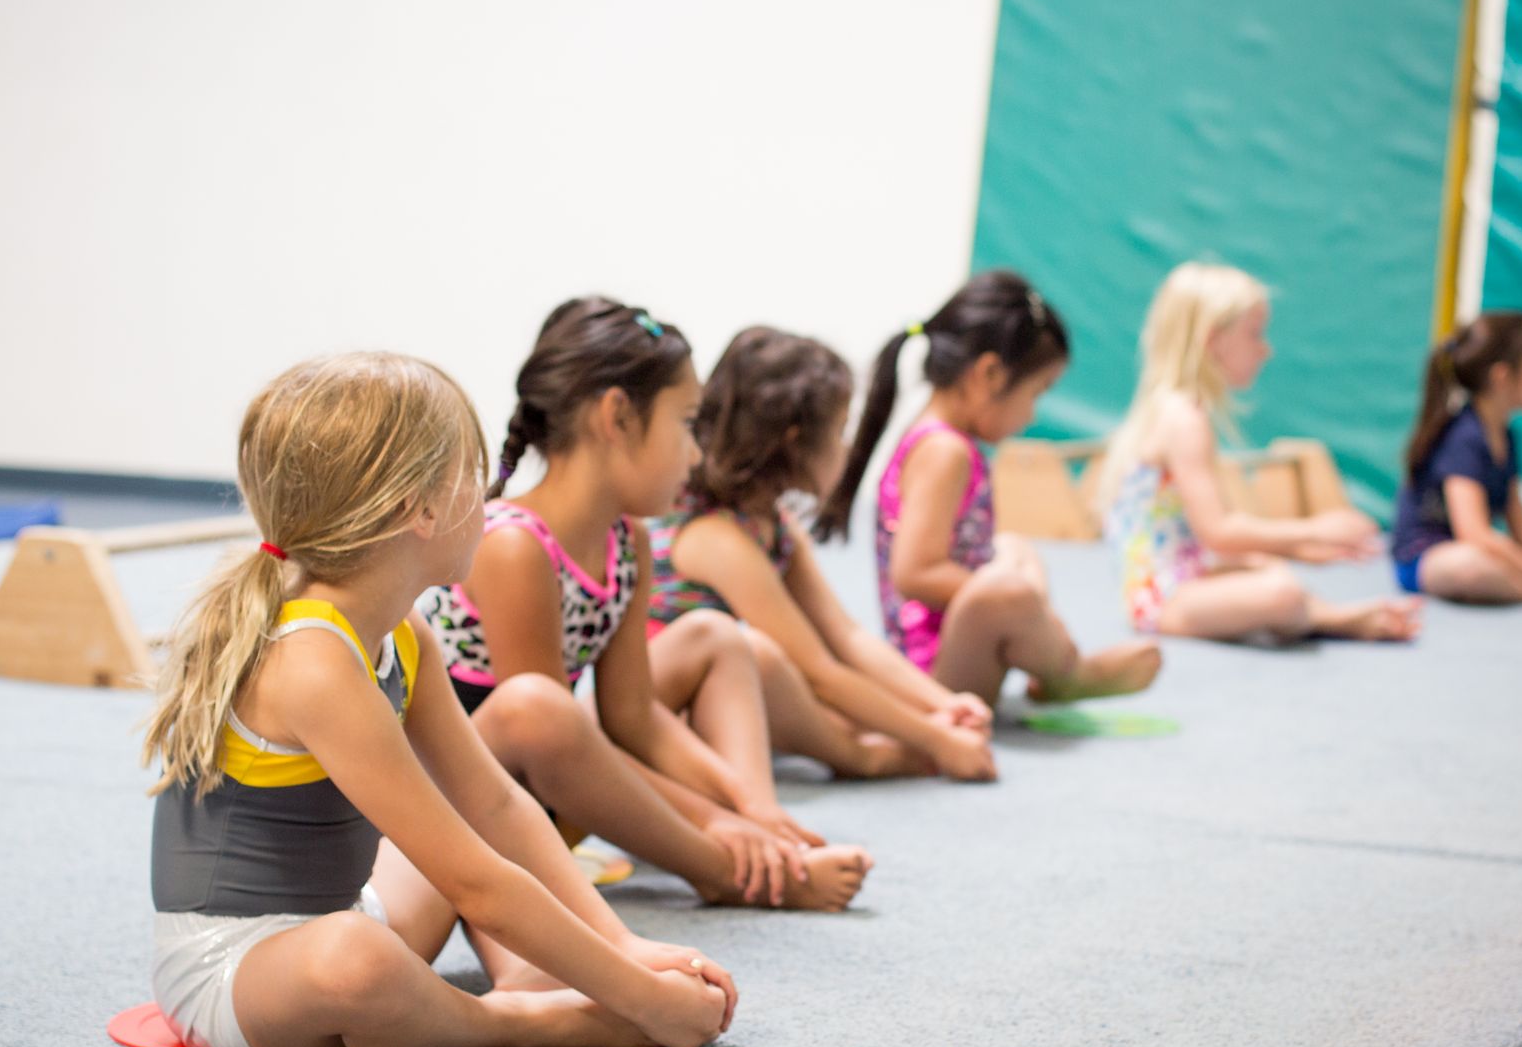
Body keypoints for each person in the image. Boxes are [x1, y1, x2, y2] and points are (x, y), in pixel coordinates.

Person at [143, 353, 734, 1047]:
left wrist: (625, 946)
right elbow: (473, 886)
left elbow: (495, 805)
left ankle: (515, 991)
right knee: (359, 961)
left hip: (346, 911)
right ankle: (522, 1019)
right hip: (236, 969)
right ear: (420, 510)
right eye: (472, 479)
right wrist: (642, 1000)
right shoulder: (312, 661)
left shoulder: (401, 631)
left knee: (444, 862)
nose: (487, 503)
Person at [420, 299, 872, 911]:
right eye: (687, 423)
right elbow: (552, 741)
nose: (695, 454)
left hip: (548, 781)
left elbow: (633, 717)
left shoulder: (626, 539)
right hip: (465, 793)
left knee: (714, 634)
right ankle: (726, 871)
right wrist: (709, 824)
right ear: (618, 418)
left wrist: (744, 802)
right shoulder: (513, 548)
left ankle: (766, 837)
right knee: (545, 713)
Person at [650, 326, 998, 781]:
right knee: (768, 660)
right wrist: (937, 741)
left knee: (822, 682)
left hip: (731, 696)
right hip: (671, 716)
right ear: (794, 442)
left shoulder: (772, 523)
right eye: (838, 432)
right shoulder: (717, 539)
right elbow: (821, 674)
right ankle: (854, 756)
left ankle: (854, 735)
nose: (847, 449)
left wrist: (940, 703)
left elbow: (845, 635)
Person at [817, 269, 1161, 707]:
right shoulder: (945, 451)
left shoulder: (943, 441)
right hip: (936, 674)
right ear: (990, 374)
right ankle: (1069, 673)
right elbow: (915, 572)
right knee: (1008, 590)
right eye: (1036, 393)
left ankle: (1046, 663)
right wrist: (1021, 601)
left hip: (948, 646)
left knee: (1016, 551)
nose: (1032, 414)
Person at [1097, 262, 1420, 643]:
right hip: (1161, 599)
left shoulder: (1177, 411)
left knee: (1270, 570)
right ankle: (1331, 618)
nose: (1265, 350)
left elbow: (1210, 537)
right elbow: (1218, 532)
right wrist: (1314, 528)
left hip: (1183, 576)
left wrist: (1301, 547)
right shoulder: (1184, 420)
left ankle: (1329, 615)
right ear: (1213, 340)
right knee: (1279, 590)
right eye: (1254, 335)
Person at [1391, 310, 1522, 605]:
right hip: (1430, 558)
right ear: (1502, 377)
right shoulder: (1464, 437)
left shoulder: (1506, 436)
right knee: (1473, 566)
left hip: (1475, 547)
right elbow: (1474, 534)